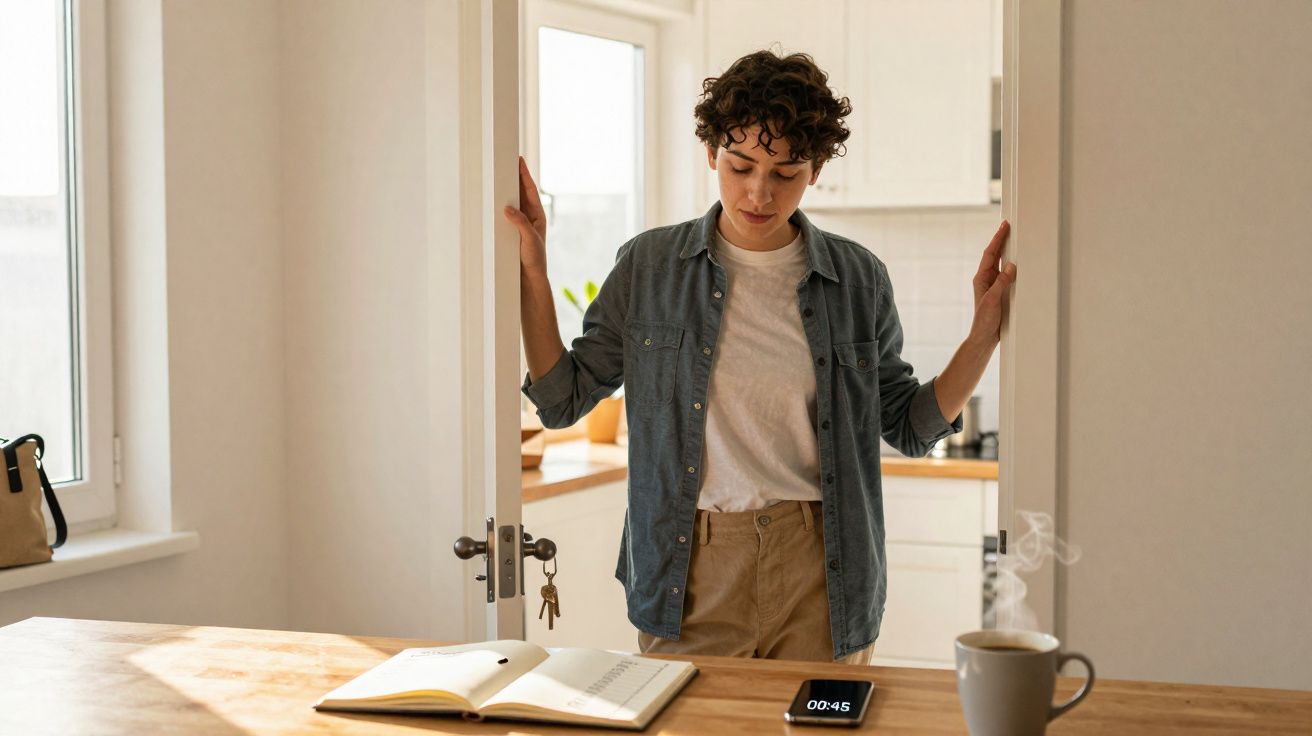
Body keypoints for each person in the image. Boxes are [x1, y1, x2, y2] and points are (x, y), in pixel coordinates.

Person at [507, 49, 1016, 664]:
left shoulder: (858, 278)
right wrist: (534, 270)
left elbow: (908, 425)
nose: (758, 192)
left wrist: (983, 336)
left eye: (785, 173)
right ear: (710, 153)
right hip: (689, 569)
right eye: (740, 164)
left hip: (822, 569)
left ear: (816, 168)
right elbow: (562, 400)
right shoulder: (649, 267)